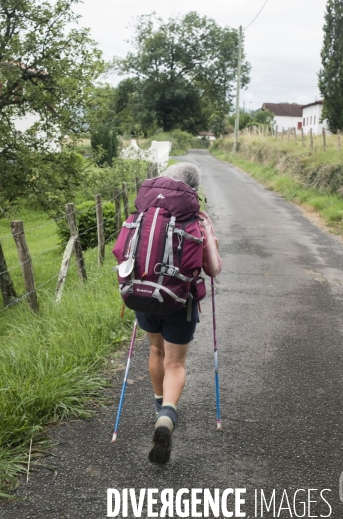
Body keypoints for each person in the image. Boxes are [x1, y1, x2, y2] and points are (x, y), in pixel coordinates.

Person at [135, 162, 206, 464]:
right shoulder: (198, 220)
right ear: (194, 189)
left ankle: (159, 406)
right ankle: (167, 414)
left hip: (143, 296)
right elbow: (213, 268)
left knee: (155, 349)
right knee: (175, 362)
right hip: (180, 301)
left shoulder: (142, 213)